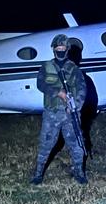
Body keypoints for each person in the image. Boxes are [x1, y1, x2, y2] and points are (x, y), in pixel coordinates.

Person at [30, 34, 88, 185]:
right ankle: (37, 174)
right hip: (52, 114)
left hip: (70, 114)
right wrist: (58, 92)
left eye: (63, 48)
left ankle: (79, 173)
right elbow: (40, 84)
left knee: (76, 144)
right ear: (53, 49)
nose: (60, 50)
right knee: (46, 144)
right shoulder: (46, 67)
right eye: (58, 48)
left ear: (67, 49)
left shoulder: (74, 69)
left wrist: (75, 106)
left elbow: (82, 89)